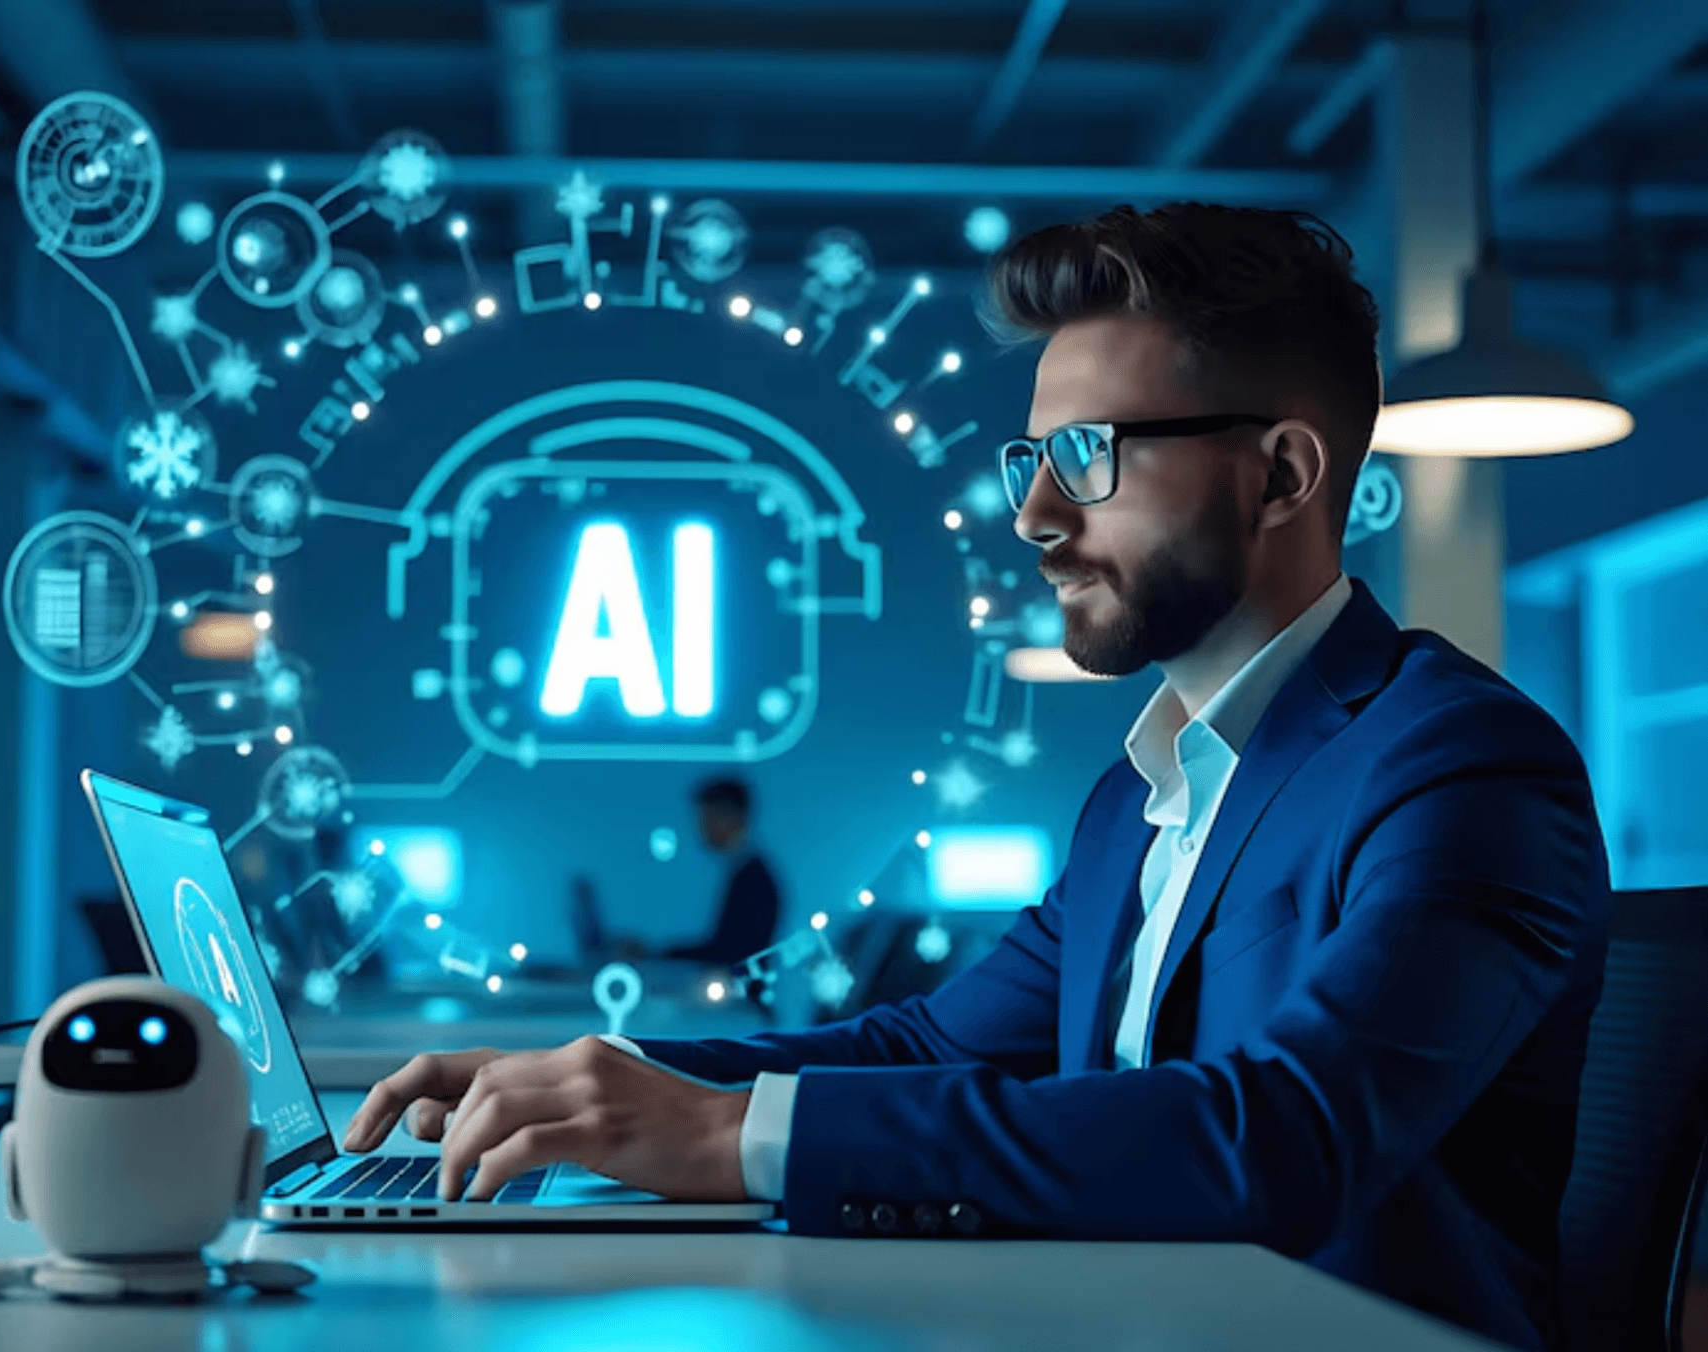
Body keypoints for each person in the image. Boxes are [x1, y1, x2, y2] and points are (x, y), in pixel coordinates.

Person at [343, 204, 1609, 1352]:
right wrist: (598, 1078)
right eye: (1030, 461)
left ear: (1280, 472)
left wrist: (730, 1135)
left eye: (1090, 454)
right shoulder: (1140, 795)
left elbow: (1278, 1135)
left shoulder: (1459, 765)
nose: (1035, 515)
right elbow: (927, 1041)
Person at [661, 777, 781, 968]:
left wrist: (662, 956)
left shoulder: (753, 881)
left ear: (732, 817)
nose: (701, 828)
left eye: (707, 818)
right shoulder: (746, 874)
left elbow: (732, 953)